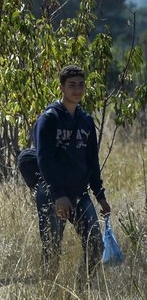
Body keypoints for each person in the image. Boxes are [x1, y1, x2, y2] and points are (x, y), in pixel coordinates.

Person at [34, 65, 111, 279]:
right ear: (62, 88)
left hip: (79, 193)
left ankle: (81, 290)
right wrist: (58, 195)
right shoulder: (49, 118)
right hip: (52, 194)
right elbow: (44, 159)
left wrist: (100, 195)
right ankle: (48, 294)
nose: (77, 90)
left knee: (95, 244)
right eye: (72, 85)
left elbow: (91, 161)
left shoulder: (86, 120)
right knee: (52, 249)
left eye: (81, 85)